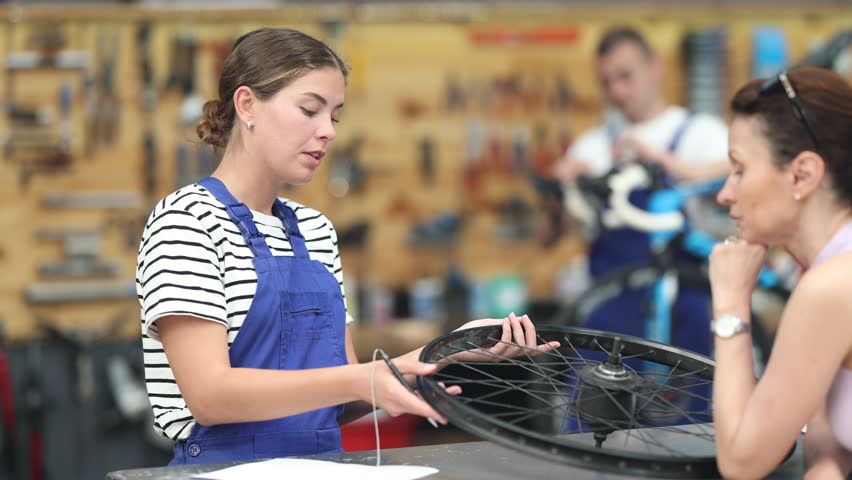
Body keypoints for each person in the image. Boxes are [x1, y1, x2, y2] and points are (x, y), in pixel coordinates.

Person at [136, 28, 557, 466]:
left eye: (334, 116)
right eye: (309, 109)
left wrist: (444, 352)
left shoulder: (316, 231)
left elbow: (342, 397)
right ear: (247, 106)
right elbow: (210, 396)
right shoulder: (187, 220)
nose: (328, 132)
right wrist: (363, 379)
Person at [709, 66, 852, 479]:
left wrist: (731, 301)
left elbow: (741, 460)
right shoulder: (829, 269)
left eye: (740, 169)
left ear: (802, 174)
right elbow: (827, 431)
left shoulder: (832, 286)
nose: (725, 194)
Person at [553, 27, 731, 358]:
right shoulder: (592, 147)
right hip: (608, 309)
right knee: (592, 408)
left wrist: (670, 164)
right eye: (606, 82)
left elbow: (741, 171)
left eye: (626, 76)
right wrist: (567, 190)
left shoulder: (700, 133)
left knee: (694, 404)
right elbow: (562, 232)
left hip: (684, 305)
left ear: (655, 67)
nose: (617, 91)